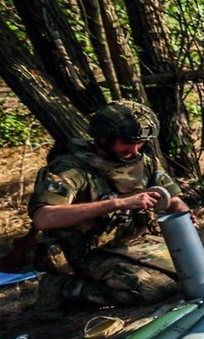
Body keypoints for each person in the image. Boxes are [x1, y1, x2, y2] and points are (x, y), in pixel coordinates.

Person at [28, 101, 193, 319]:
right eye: (126, 142)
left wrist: (183, 214)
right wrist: (118, 203)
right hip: (84, 252)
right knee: (151, 288)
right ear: (103, 138)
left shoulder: (146, 163)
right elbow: (43, 218)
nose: (134, 150)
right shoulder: (72, 169)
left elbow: (172, 199)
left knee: (191, 270)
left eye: (140, 143)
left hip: (131, 242)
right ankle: (63, 287)